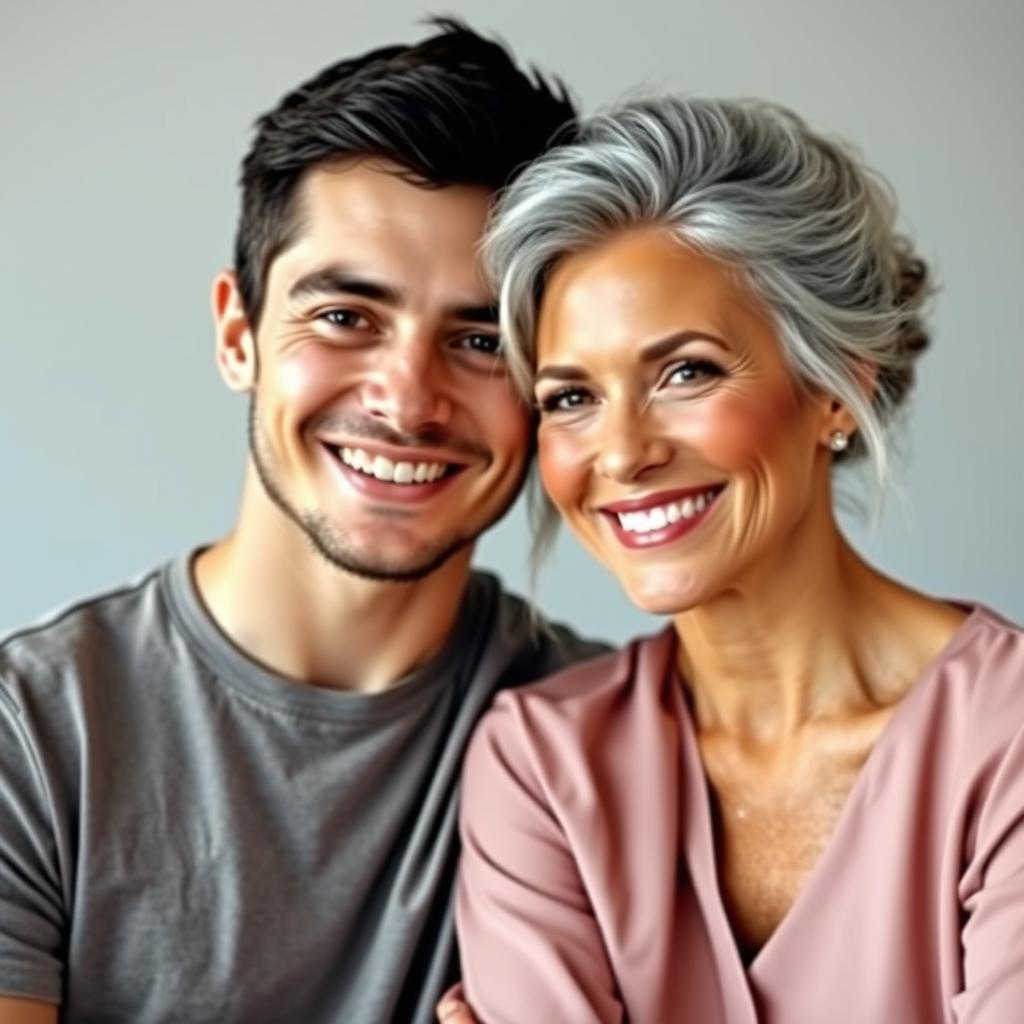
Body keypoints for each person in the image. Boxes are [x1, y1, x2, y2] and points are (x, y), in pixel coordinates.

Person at [0, 20, 605, 1024]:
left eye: (479, 338)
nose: (408, 400)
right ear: (238, 334)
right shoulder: (32, 737)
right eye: (345, 316)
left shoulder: (618, 743)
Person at [449, 97, 1024, 1023]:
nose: (623, 452)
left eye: (687, 372)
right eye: (571, 398)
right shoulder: (541, 765)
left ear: (836, 389)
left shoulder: (1007, 740)